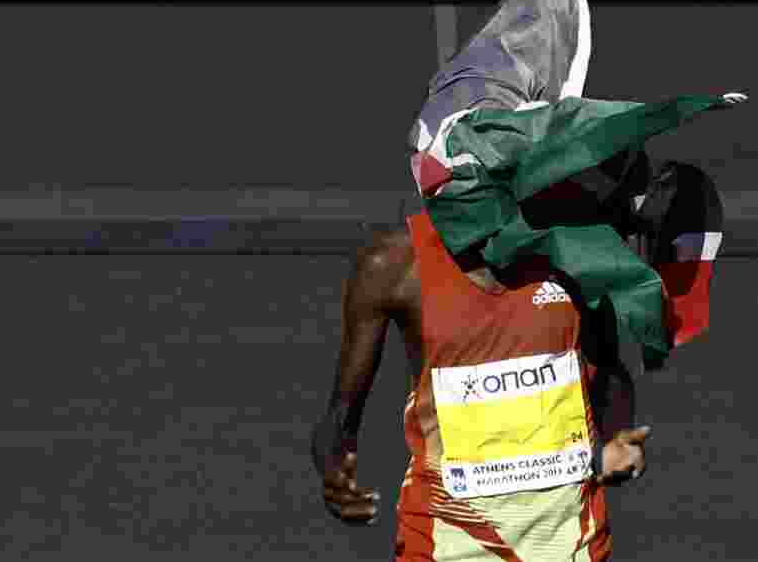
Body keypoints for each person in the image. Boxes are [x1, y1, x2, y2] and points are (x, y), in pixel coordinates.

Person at [311, 157, 726, 560]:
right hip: (443, 547)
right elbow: (340, 415)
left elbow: (607, 372)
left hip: (570, 548)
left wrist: (614, 441)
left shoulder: (576, 254)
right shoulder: (395, 265)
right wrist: (333, 470)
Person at [410, 0, 747, 373]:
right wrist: (684, 108)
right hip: (481, 148)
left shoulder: (588, 179)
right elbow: (582, 128)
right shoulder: (555, 162)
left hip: (480, 141)